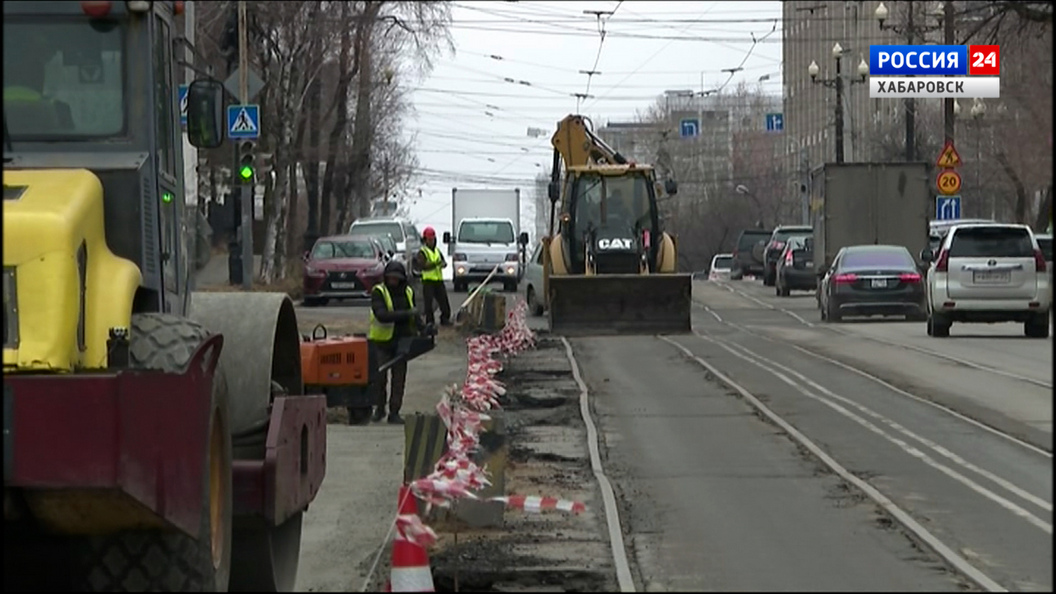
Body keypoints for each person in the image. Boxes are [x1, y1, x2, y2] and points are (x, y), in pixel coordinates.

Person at [368, 261, 422, 424]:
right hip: (381, 342)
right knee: (379, 379)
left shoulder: (408, 292)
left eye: (396, 278)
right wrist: (406, 314)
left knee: (399, 379)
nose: (393, 280)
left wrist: (424, 327)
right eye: (390, 277)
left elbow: (414, 314)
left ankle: (394, 411)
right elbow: (382, 315)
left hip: (402, 341)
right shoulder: (379, 292)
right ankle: (379, 408)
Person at [416, 227, 452, 326]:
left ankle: (445, 319)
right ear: (425, 240)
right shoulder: (422, 252)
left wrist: (443, 264)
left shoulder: (437, 251)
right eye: (429, 239)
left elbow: (443, 262)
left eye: (432, 239)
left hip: (438, 280)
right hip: (428, 281)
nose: (431, 241)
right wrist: (436, 264)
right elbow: (422, 266)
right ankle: (430, 321)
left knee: (444, 301)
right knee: (428, 304)